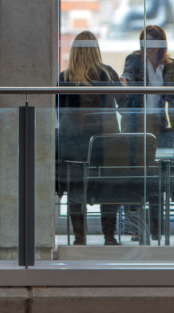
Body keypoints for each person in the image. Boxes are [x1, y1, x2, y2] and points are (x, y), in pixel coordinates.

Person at [119, 24, 174, 242]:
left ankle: (156, 228)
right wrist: (125, 82)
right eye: (145, 41)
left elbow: (172, 96)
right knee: (135, 177)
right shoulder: (134, 59)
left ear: (161, 45)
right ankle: (134, 228)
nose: (148, 47)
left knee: (155, 178)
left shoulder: (169, 65)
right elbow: (128, 75)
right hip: (135, 125)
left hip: (157, 125)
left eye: (153, 42)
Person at [58, 31, 122, 246]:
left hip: (74, 146)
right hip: (107, 144)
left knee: (76, 190)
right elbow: (125, 102)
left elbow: (59, 112)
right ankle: (109, 237)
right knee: (108, 190)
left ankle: (79, 238)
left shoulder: (64, 78)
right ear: (96, 50)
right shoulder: (109, 74)